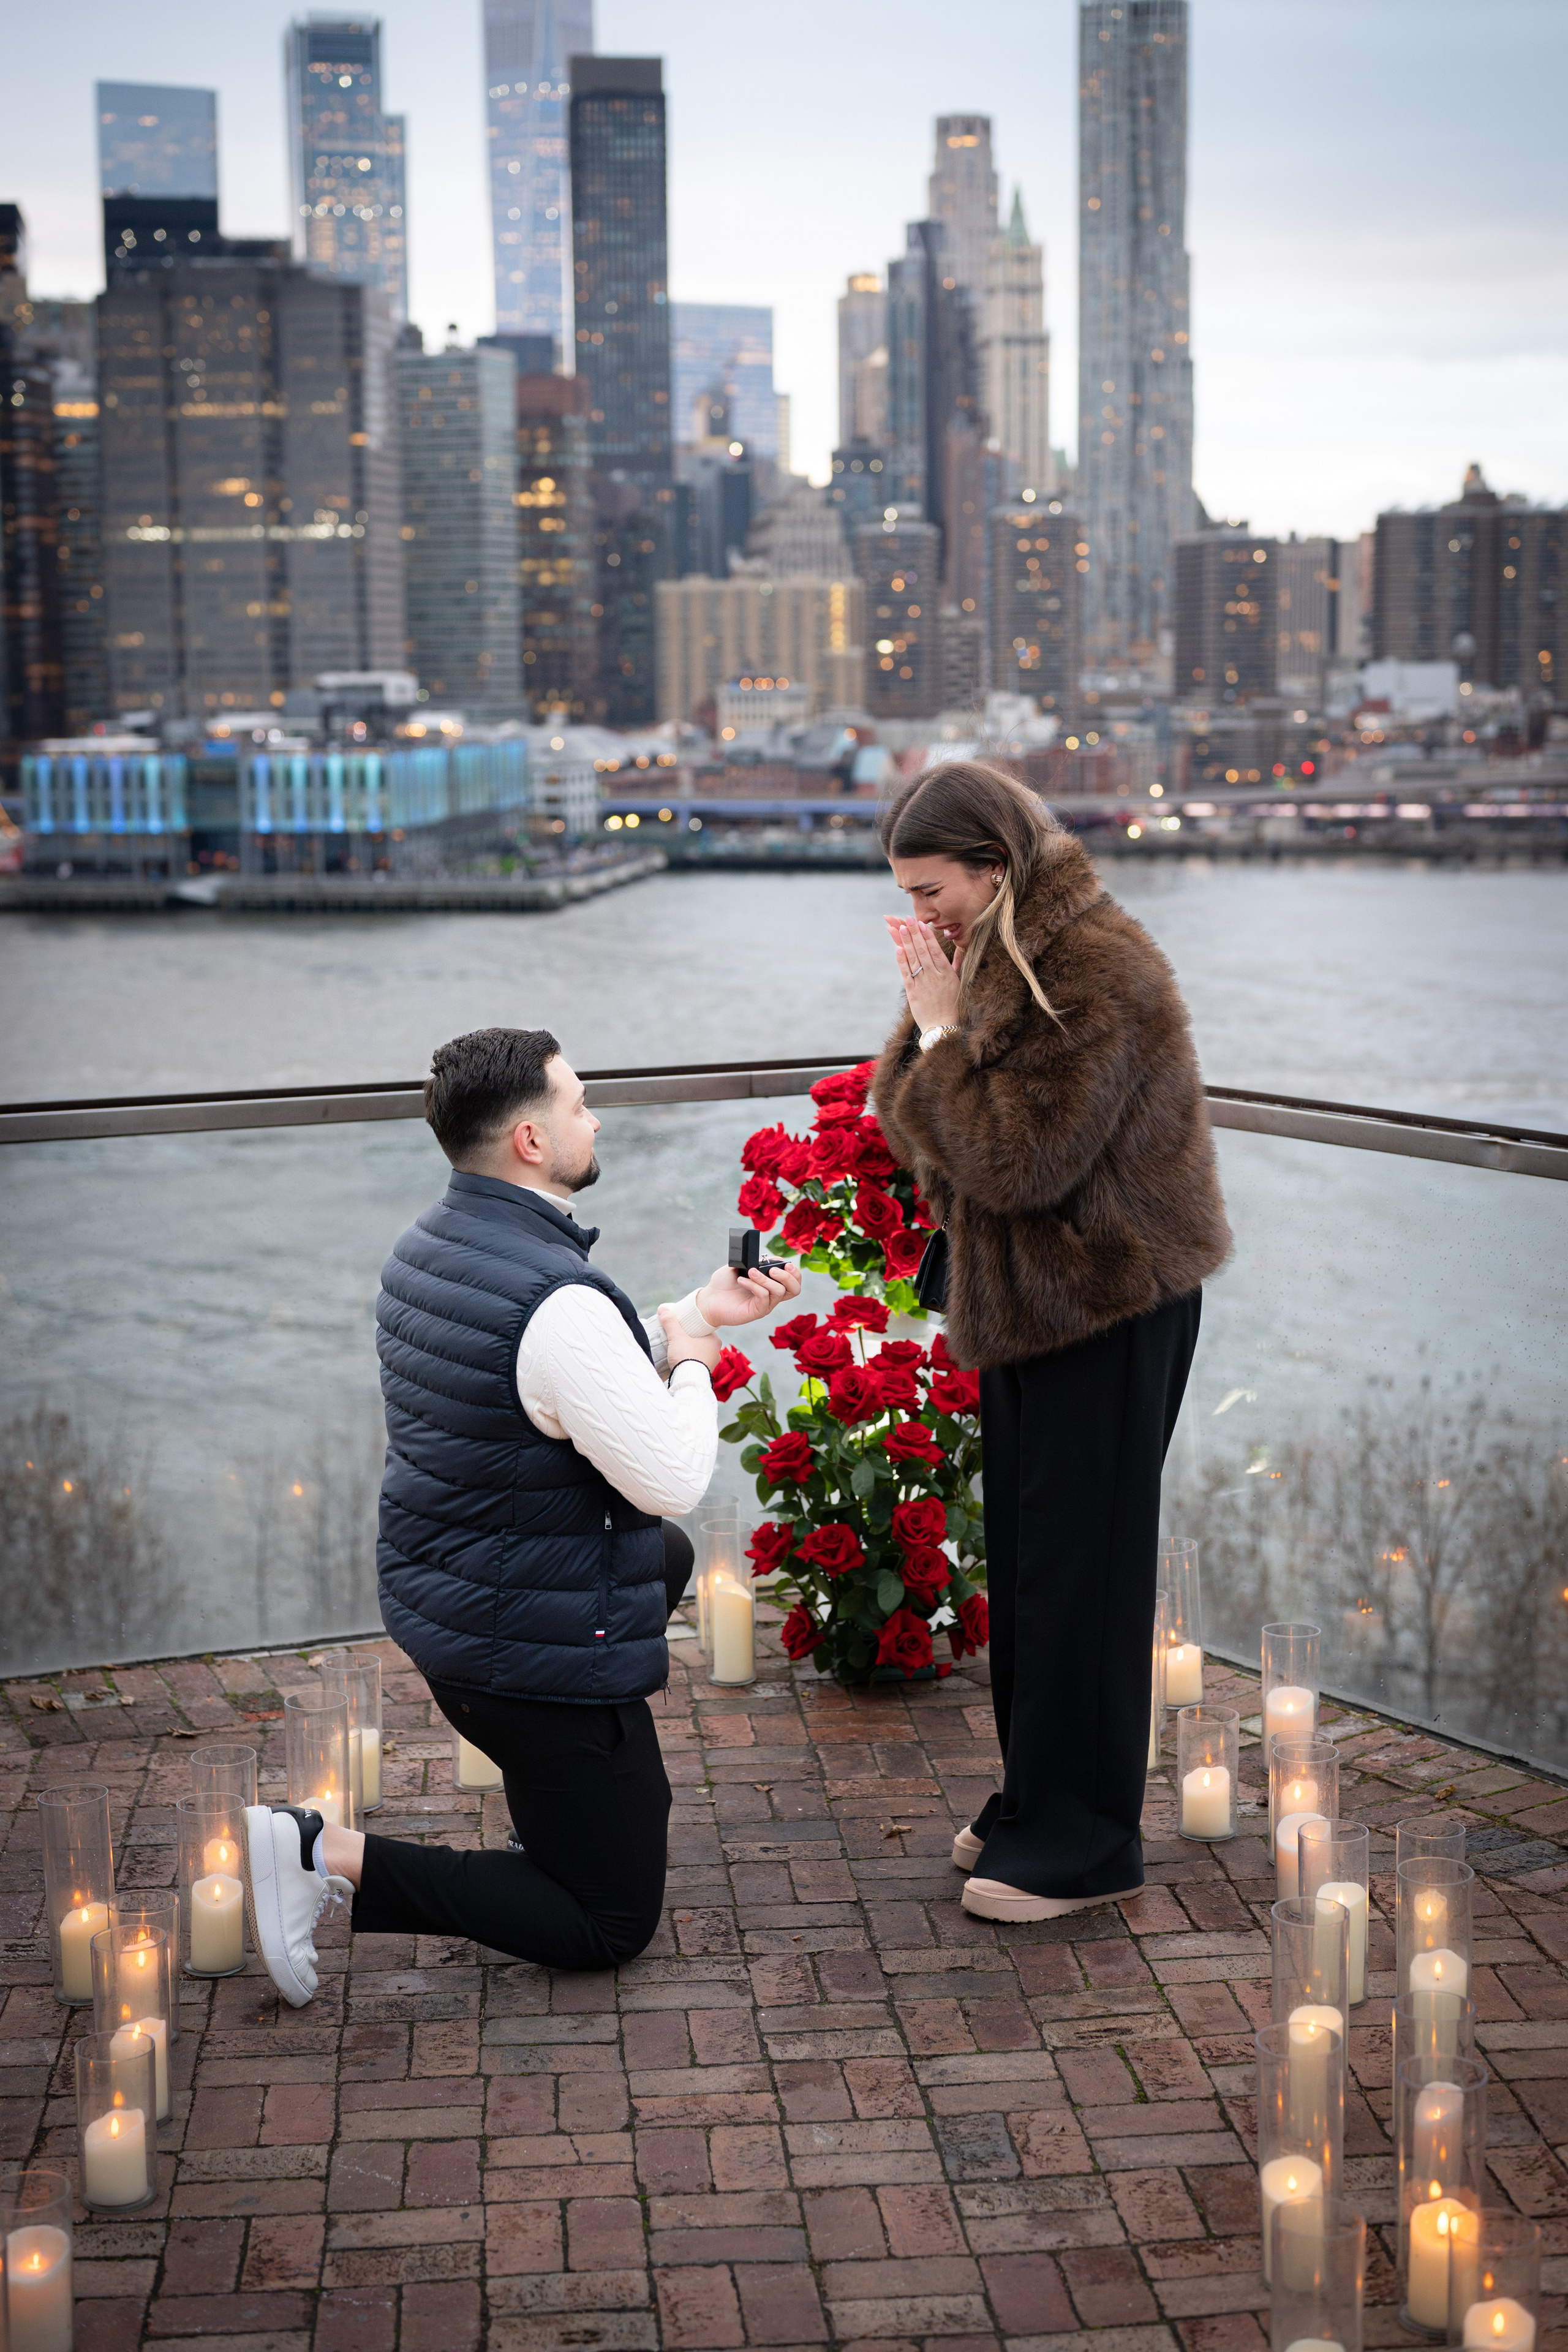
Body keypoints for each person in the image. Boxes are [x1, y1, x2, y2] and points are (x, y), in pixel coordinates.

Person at [244, 1025, 801, 2004]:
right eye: (579, 1103)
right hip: (521, 1657)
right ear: (532, 1141)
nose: (596, 1120)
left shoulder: (429, 1248)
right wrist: (693, 1363)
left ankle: (557, 1792)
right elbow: (670, 1476)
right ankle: (318, 1852)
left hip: (447, 1607)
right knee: (608, 1920)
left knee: (661, 1559)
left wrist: (694, 1313)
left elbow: (541, 1378)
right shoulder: (556, 1299)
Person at [872, 763, 1231, 1923]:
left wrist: (941, 1034)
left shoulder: (1096, 969)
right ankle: (1038, 1799)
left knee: (1089, 1573)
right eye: (908, 893)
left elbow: (1017, 1162)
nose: (920, 914)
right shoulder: (992, 957)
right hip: (1029, 1304)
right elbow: (914, 1123)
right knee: (1034, 1566)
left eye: (932, 889)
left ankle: (1087, 1845)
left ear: (996, 867)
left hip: (1112, 1299)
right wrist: (936, 1031)